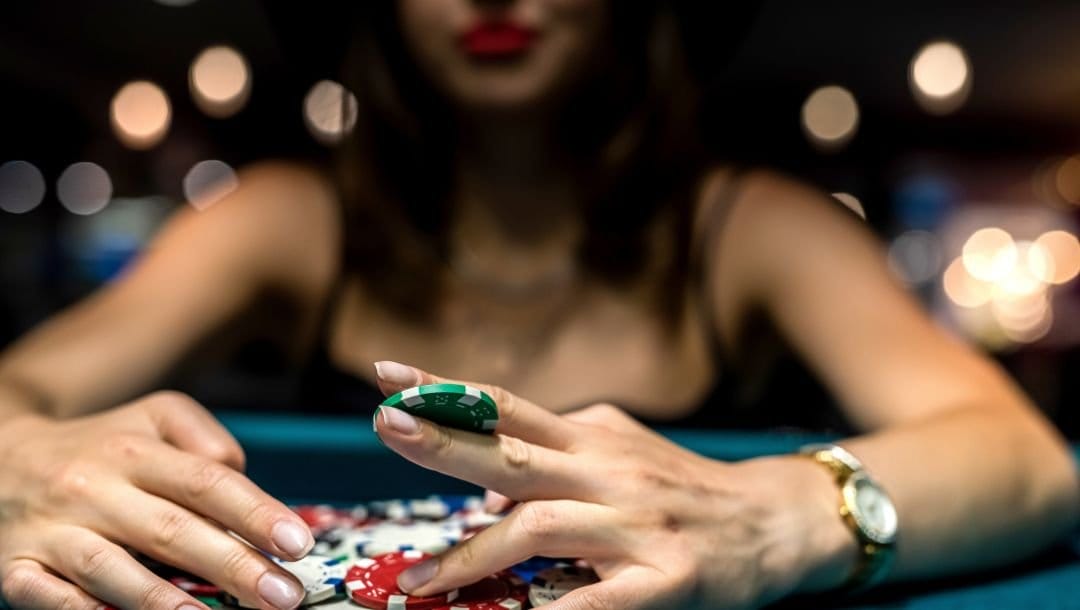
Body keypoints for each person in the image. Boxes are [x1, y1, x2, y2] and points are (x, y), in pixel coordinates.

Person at [0, 1, 1077, 609]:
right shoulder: (285, 216)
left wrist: (765, 521)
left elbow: (1023, 458)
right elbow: (20, 386)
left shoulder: (752, 226)